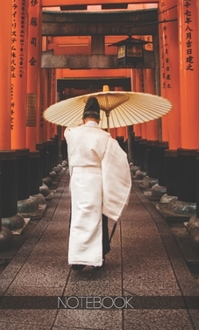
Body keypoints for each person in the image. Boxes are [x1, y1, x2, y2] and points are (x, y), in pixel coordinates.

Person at [64, 97, 132, 270]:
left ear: (83, 118)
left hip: (78, 179)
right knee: (97, 217)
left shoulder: (71, 133)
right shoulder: (105, 137)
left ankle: (77, 259)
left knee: (78, 218)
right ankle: (98, 257)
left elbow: (69, 134)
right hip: (96, 179)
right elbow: (117, 162)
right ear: (99, 119)